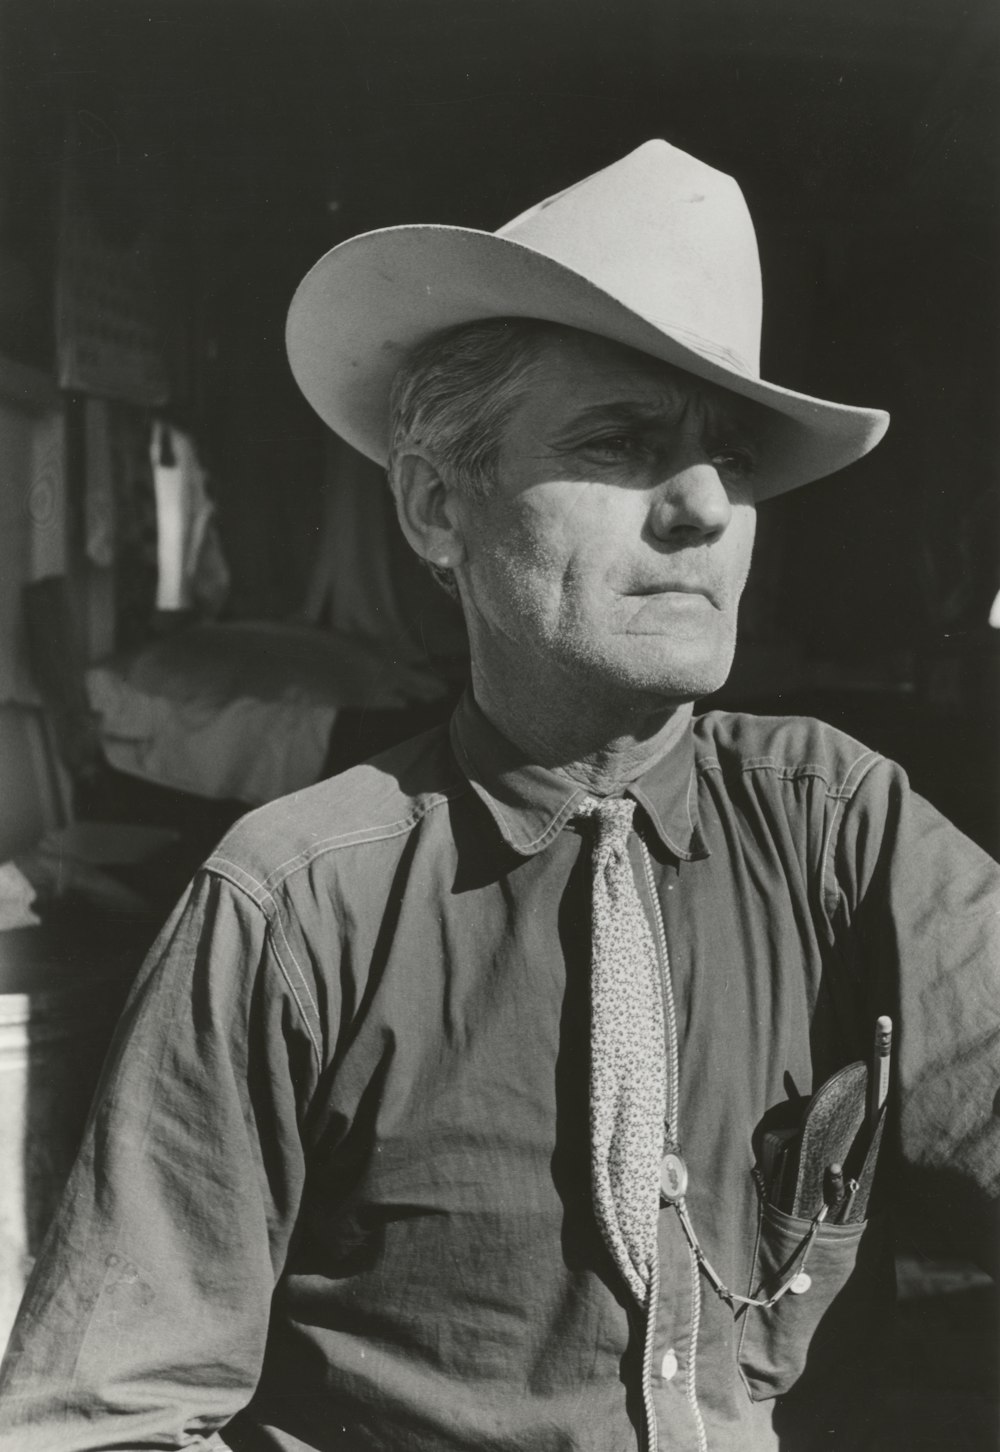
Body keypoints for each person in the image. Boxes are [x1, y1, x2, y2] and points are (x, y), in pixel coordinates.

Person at [1, 139, 997, 1452]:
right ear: (433, 507)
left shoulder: (838, 826)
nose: (705, 507)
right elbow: (101, 1419)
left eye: (734, 458)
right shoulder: (296, 905)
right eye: (625, 442)